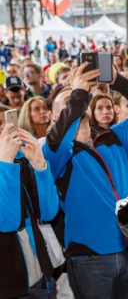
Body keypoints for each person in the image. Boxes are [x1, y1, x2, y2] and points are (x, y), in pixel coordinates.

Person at [43, 62, 128, 299]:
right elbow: (58, 140)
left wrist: (118, 80)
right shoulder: (54, 152)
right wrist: (78, 93)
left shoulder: (112, 136)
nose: (77, 100)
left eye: (79, 97)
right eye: (69, 102)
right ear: (57, 116)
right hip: (90, 258)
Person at [0, 123, 59, 298]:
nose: (5, 129)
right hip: (8, 286)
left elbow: (48, 212)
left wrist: (39, 165)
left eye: (7, 123)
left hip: (39, 275)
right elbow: (8, 222)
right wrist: (5, 166)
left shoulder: (18, 159)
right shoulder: (8, 163)